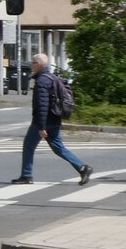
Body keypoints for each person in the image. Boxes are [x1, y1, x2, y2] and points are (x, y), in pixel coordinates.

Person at [12, 53, 93, 185]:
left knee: (28, 146)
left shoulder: (42, 81)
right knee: (58, 148)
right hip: (55, 119)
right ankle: (83, 168)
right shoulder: (52, 77)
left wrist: (42, 127)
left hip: (44, 122)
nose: (31, 65)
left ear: (38, 64)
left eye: (33, 63)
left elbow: (42, 105)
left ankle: (26, 175)